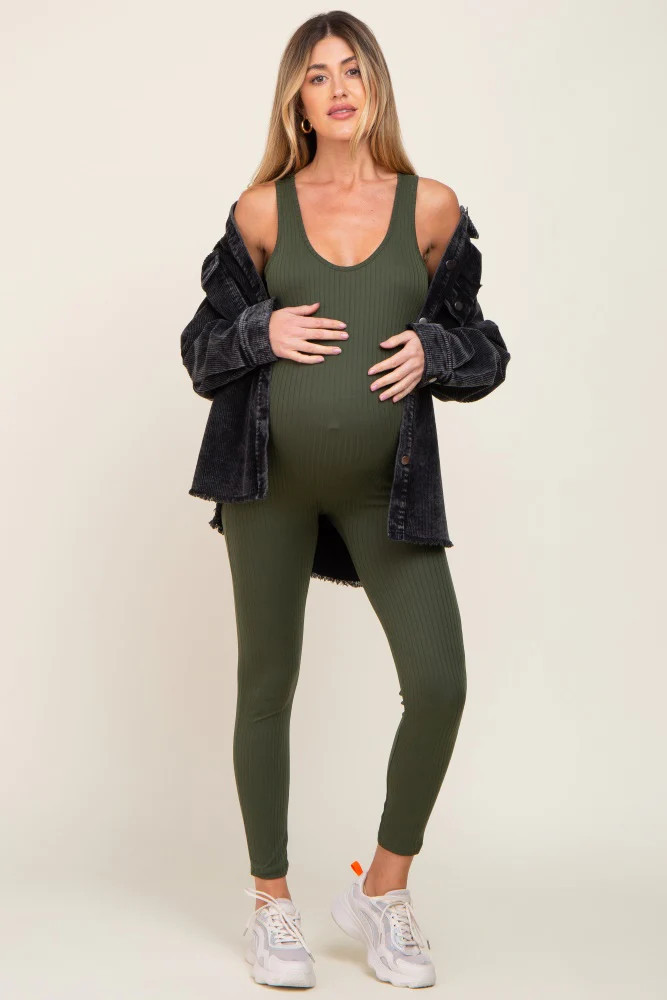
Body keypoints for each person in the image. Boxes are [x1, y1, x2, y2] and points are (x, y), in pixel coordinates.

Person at [181, 11, 509, 991]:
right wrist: (262, 332)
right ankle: (270, 904)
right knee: (265, 687)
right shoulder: (260, 212)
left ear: (375, 88)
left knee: (439, 683)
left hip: (384, 490)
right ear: (296, 98)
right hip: (266, 484)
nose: (336, 88)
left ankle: (382, 889)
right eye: (317, 74)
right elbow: (201, 351)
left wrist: (435, 350)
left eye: (352, 70)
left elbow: (484, 350)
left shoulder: (432, 208)